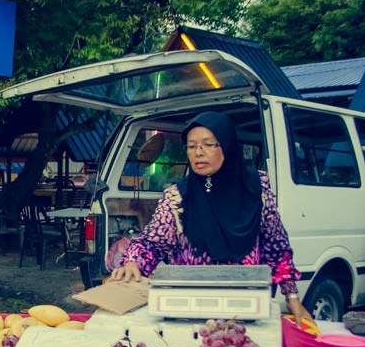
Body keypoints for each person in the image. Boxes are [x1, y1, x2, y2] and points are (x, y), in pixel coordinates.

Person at [110, 112, 312, 325]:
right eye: (191, 146)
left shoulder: (257, 188)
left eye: (208, 144)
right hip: (190, 310)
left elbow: (276, 245)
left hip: (246, 309)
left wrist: (291, 297)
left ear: (226, 145)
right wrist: (133, 262)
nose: (198, 153)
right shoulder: (177, 197)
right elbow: (152, 243)